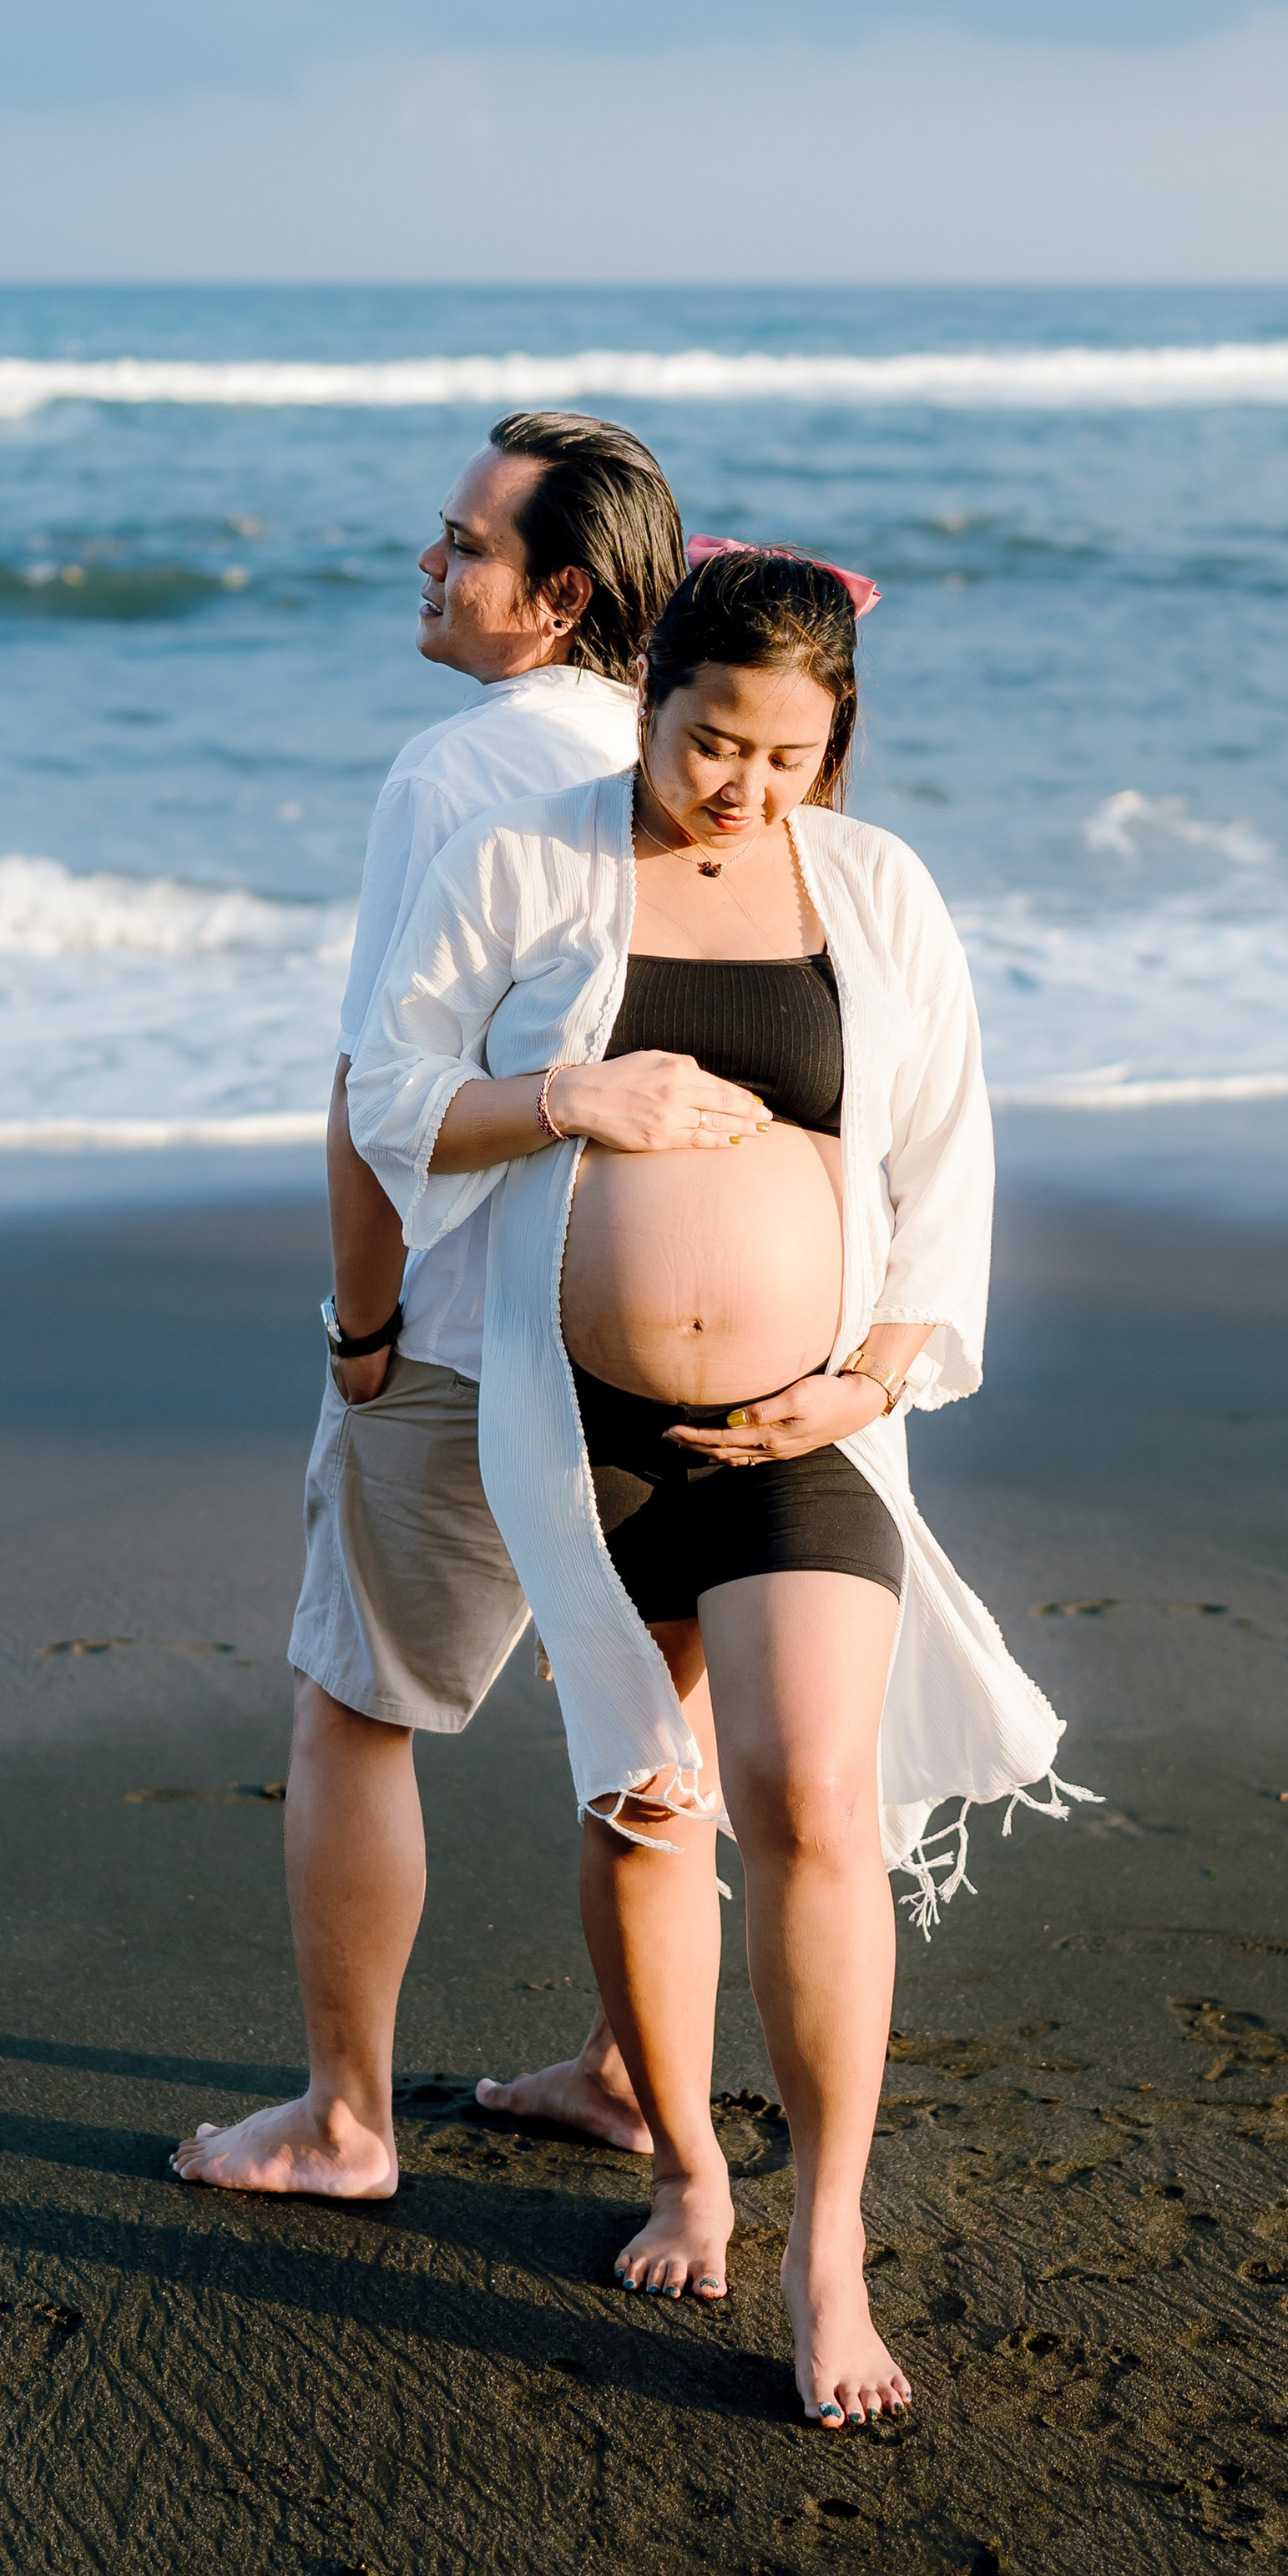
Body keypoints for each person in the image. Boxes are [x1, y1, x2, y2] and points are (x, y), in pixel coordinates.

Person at [347, 546, 1093, 2425]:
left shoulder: (870, 887)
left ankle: (826, 2239)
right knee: (646, 1802)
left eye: (790, 751)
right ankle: (684, 2152)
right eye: (710, 741)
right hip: (575, 1423)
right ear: (649, 693)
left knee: (812, 1798)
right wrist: (566, 1104)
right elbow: (383, 1091)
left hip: (806, 1432)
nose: (747, 785)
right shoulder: (521, 860)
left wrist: (877, 1364)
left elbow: (944, 1154)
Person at [171, 410, 684, 2201]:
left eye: (462, 544)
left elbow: (368, 1090)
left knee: (355, 1709)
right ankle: (632, 2076)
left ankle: (342, 2121)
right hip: (673, 1333)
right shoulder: (711, 763)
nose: (429, 562)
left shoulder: (458, 775)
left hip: (473, 1331)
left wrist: (362, 1335)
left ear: (553, 599)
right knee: (644, 1717)